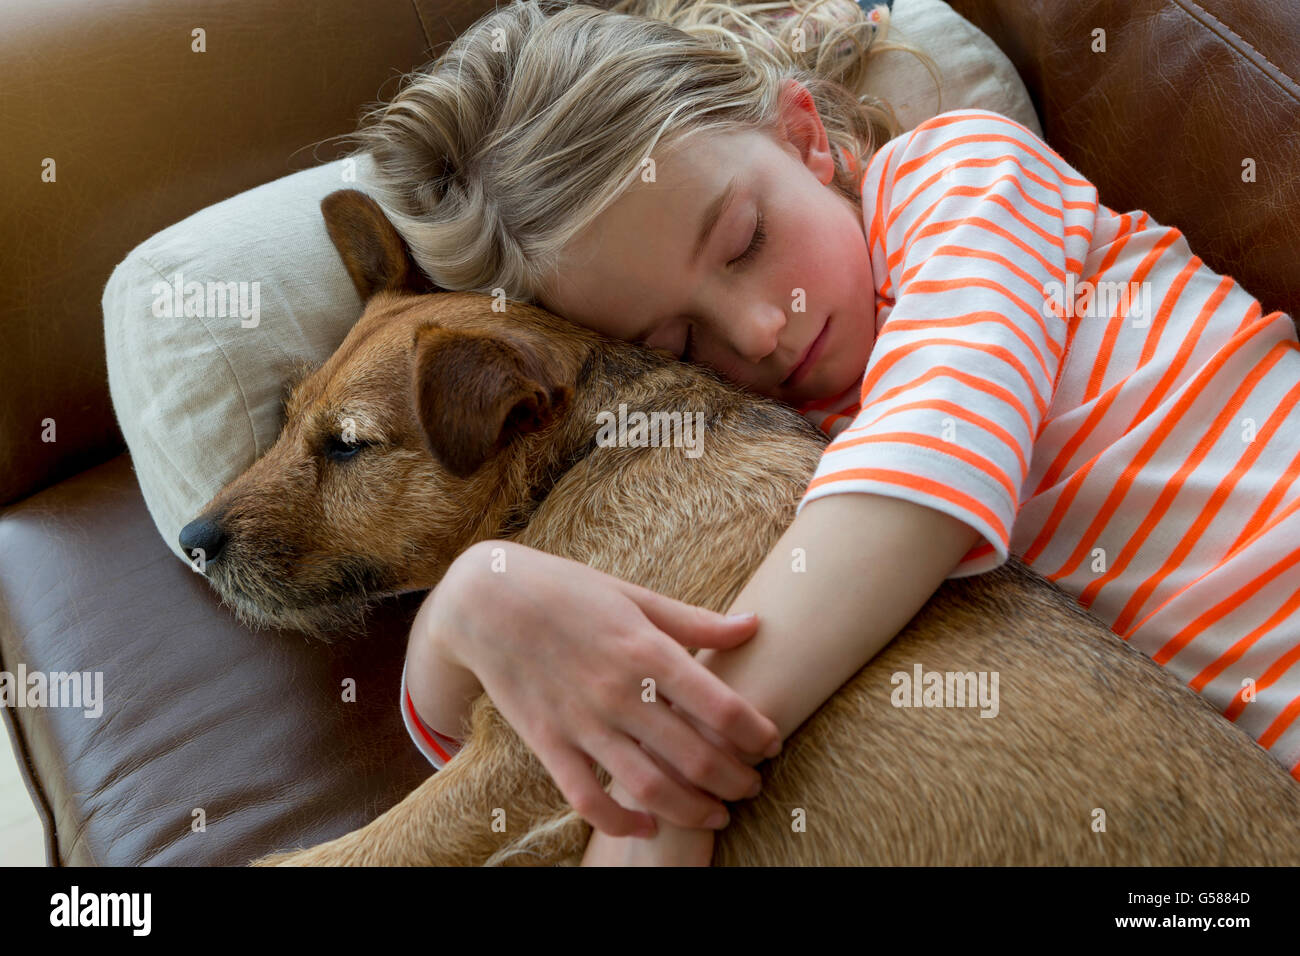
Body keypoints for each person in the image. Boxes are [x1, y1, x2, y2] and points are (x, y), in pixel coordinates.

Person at [355, 0, 1300, 866]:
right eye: (676, 340)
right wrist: (471, 606)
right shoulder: (749, 448)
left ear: (804, 137)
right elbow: (516, 737)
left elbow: (928, 463)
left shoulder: (960, 178)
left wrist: (679, 781)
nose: (761, 330)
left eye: (744, 243)